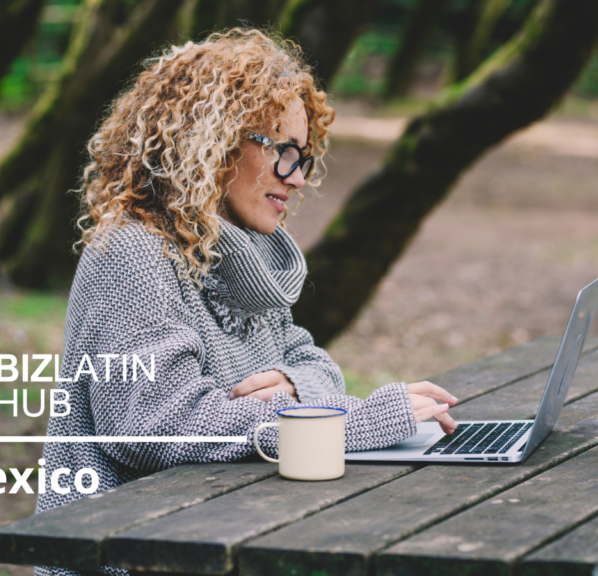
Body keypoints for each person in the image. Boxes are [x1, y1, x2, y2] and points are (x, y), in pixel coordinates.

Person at [34, 28, 457, 576]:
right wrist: (347, 423)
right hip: (126, 557)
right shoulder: (132, 253)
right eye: (284, 152)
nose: (299, 178)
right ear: (211, 142)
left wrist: (295, 386)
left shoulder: (243, 256)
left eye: (304, 156)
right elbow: (153, 426)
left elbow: (316, 364)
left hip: (220, 540)